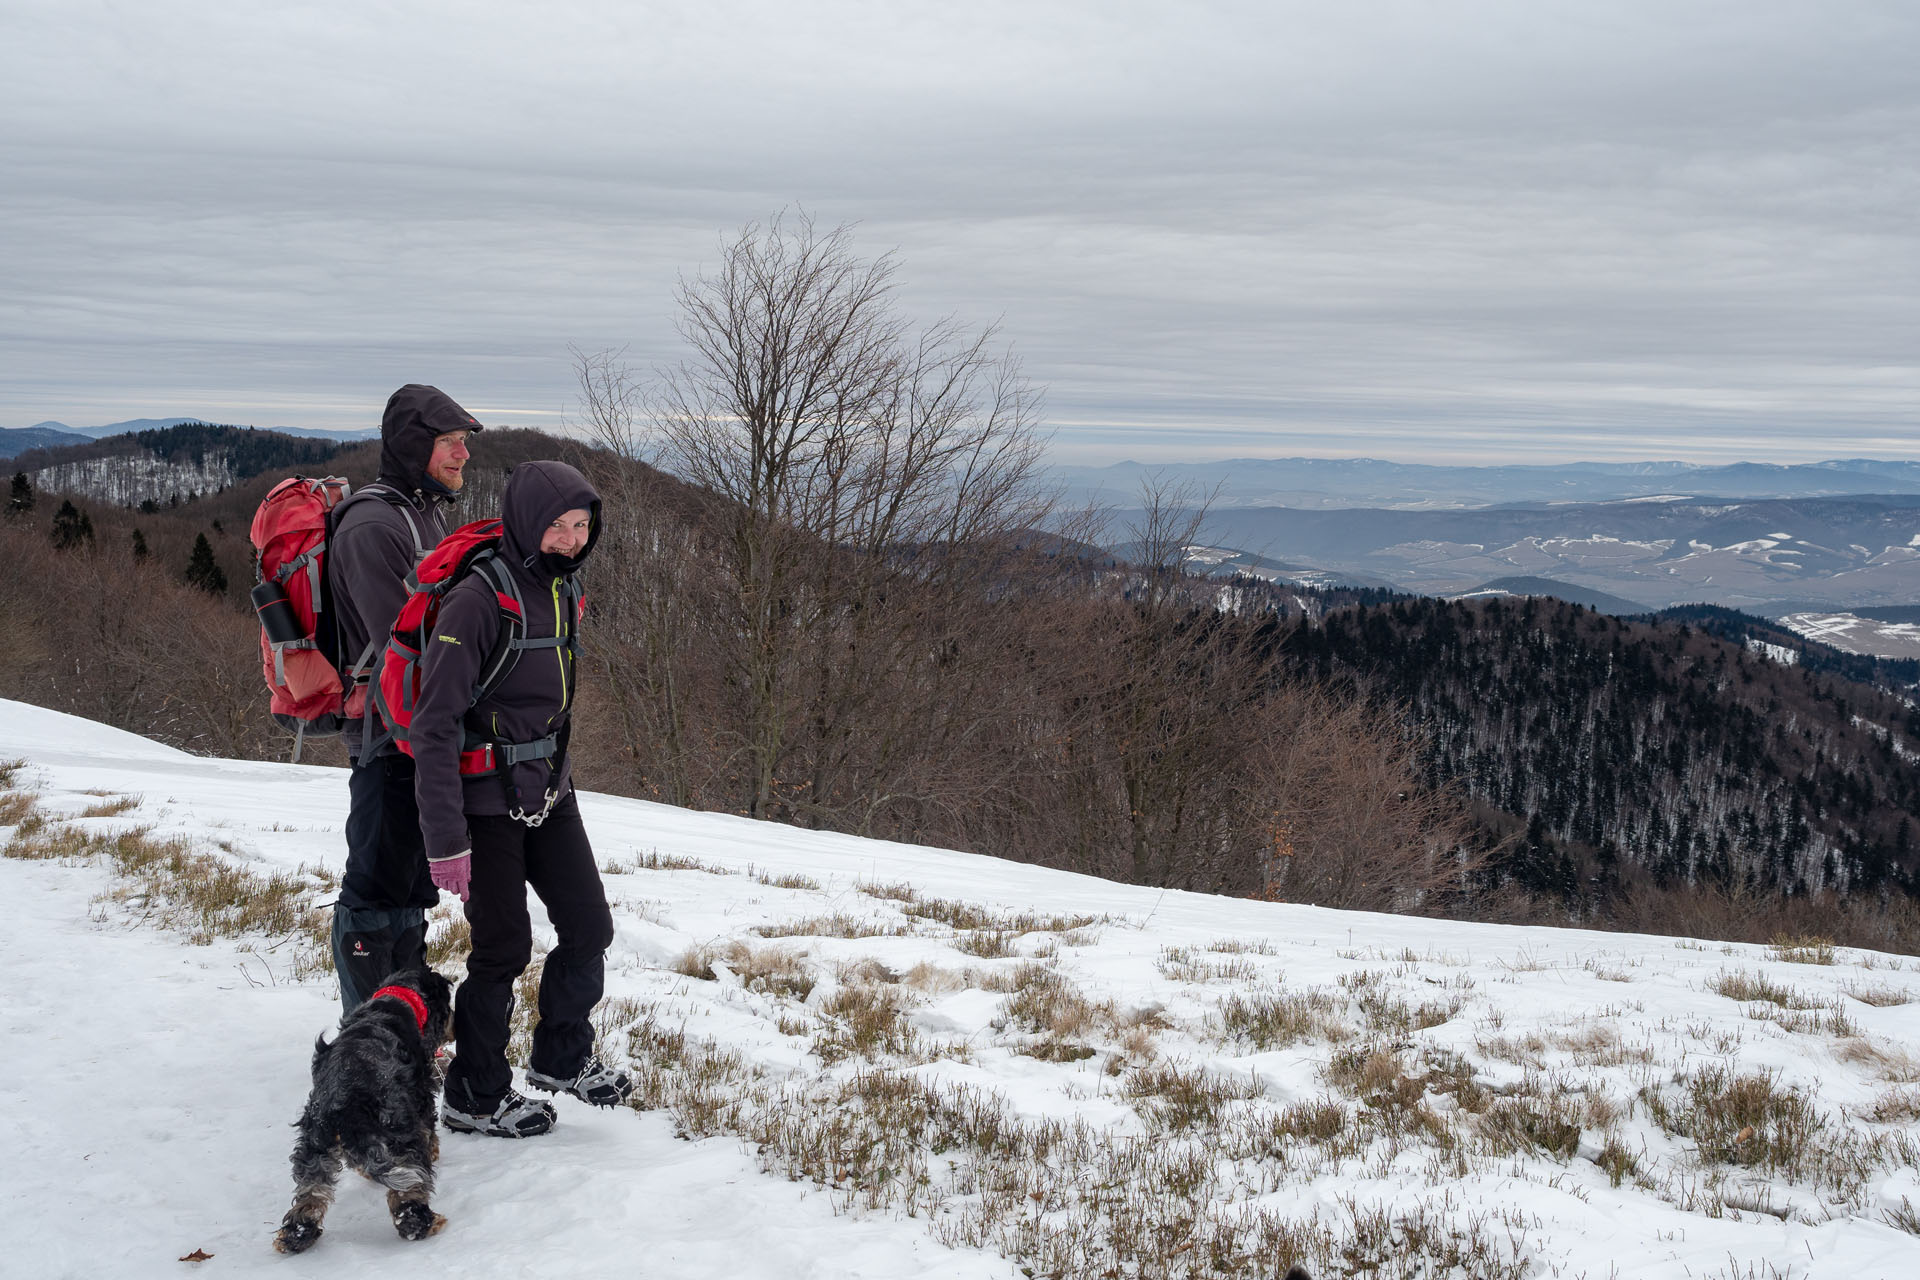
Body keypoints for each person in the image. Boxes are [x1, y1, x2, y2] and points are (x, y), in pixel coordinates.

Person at [410, 459, 633, 1138]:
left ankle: (560, 1059)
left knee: (590, 927)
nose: (571, 538)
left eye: (581, 526)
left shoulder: (566, 590)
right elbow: (433, 723)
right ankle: (473, 1095)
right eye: (558, 526)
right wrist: (445, 837)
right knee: (503, 950)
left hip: (550, 794)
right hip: (484, 806)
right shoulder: (479, 600)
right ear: (528, 523)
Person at [327, 384, 480, 1012]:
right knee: (375, 886)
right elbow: (400, 647)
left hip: (422, 735)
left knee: (413, 888)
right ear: (415, 444)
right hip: (389, 737)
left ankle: (404, 1021)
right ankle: (368, 1027)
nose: (462, 455)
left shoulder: (422, 510)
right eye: (449, 441)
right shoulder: (372, 525)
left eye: (463, 442)